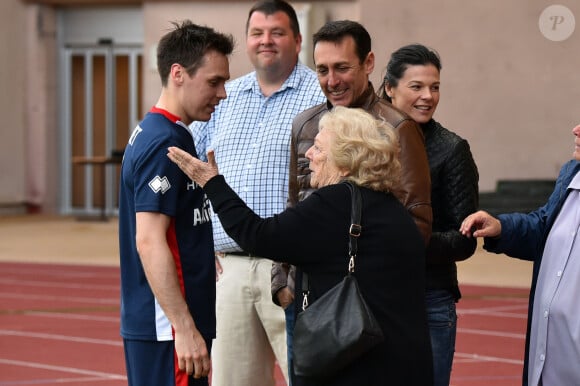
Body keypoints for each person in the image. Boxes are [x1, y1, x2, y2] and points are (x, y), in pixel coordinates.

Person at [170, 106, 434, 386]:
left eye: (319, 147)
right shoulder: (394, 210)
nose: (308, 154)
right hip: (406, 364)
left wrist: (212, 183)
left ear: (345, 162)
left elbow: (257, 235)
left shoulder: (334, 203)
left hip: (357, 365)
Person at [271, 19, 432, 362]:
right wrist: (282, 281)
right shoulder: (304, 124)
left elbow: (416, 221)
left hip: (365, 303)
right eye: (323, 69)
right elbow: (293, 203)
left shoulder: (397, 127)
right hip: (306, 296)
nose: (332, 81)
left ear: (369, 63)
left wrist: (372, 284)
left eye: (342, 67)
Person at [189, 1, 325, 385]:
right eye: (257, 33)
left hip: (293, 268)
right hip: (229, 270)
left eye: (277, 33)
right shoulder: (223, 99)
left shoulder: (321, 95)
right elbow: (191, 170)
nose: (266, 41)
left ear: (298, 41)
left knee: (312, 376)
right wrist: (201, 239)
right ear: (247, 42)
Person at [118, 21, 233, 386]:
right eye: (214, 82)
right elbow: (149, 240)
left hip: (173, 324)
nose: (223, 93)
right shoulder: (162, 141)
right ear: (178, 73)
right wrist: (182, 327)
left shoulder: (171, 132)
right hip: (167, 330)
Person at [379, 43, 479, 386]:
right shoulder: (364, 140)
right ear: (389, 88)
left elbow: (463, 240)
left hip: (430, 298)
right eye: (417, 86)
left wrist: (402, 242)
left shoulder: (452, 149)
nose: (428, 96)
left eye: (434, 87)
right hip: (372, 296)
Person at [460, 124, 580, 386]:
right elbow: (543, 228)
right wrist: (502, 228)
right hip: (548, 363)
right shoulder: (572, 174)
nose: (576, 130)